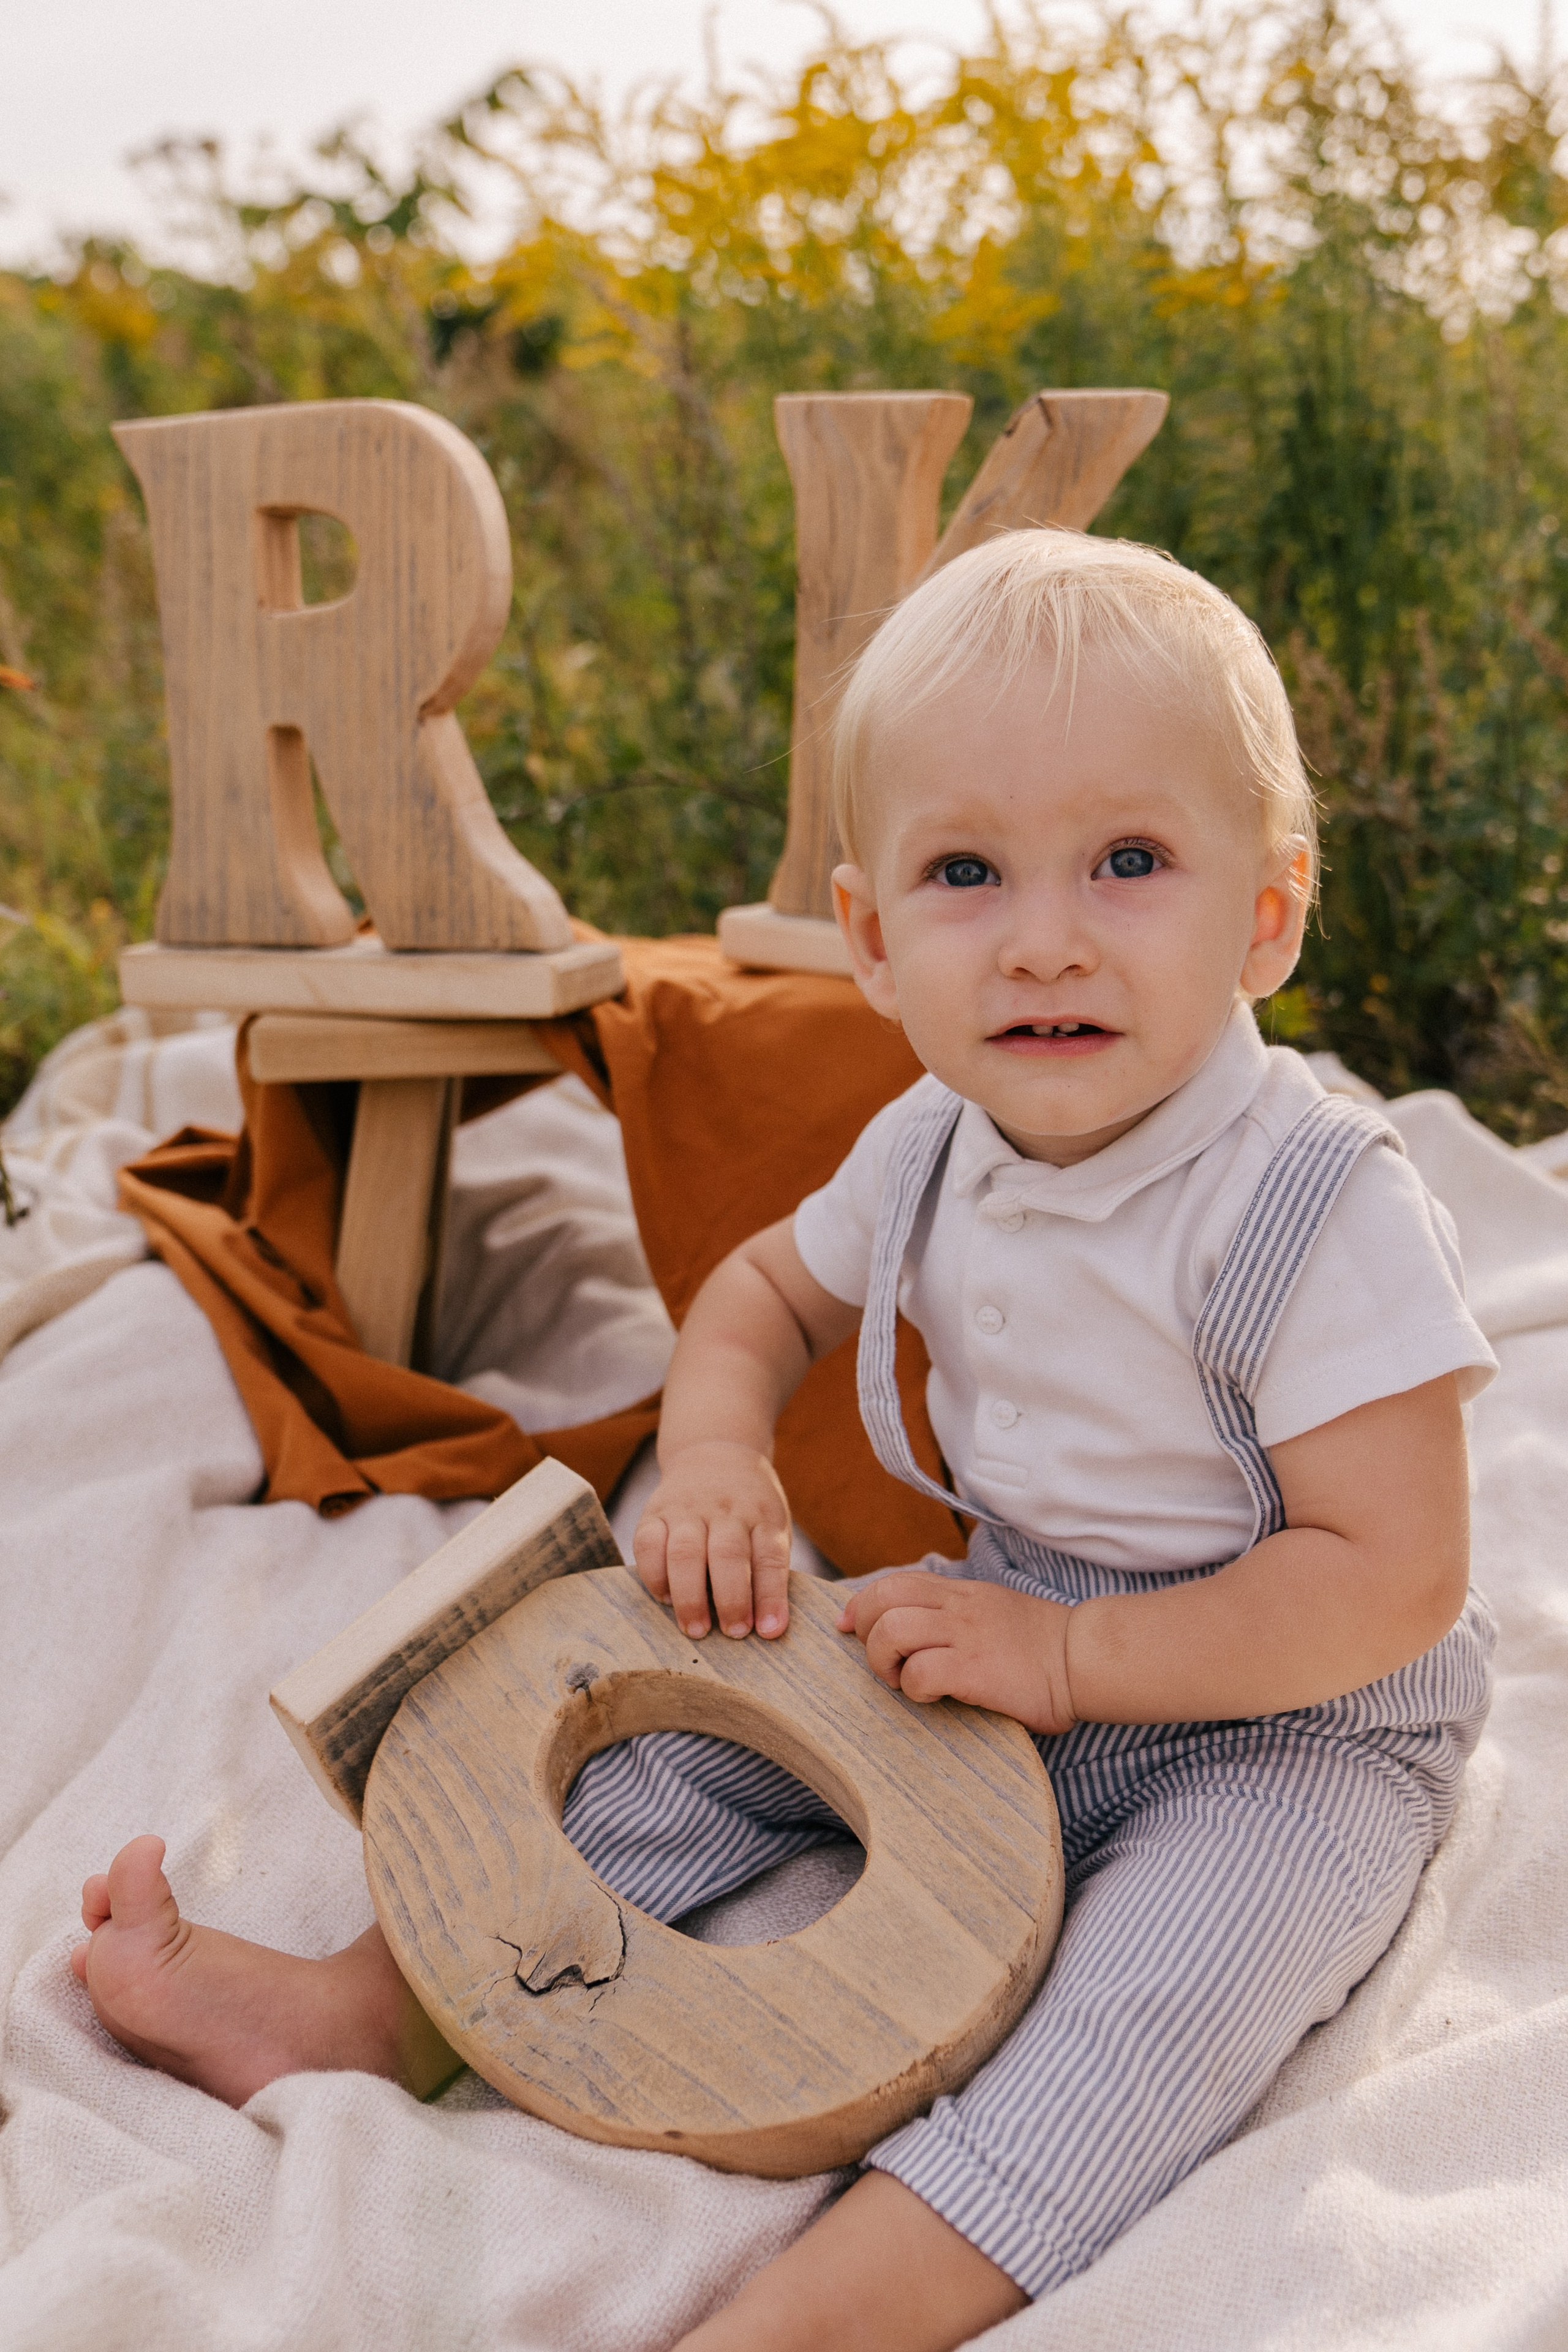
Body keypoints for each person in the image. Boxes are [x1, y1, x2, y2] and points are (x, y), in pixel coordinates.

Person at [71, 532, 1497, 2352]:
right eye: (966, 872)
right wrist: (722, 1459)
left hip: (1297, 1717)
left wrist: (1077, 1662)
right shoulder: (933, 1142)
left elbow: (1395, 1576)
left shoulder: (1311, 1204)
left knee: (1156, 2009)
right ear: (876, 942)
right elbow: (759, 1294)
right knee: (670, 1758)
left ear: (1270, 917)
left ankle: (825, 2312)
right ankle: (369, 2005)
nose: (1046, 936)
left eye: (1131, 862)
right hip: (1001, 1619)